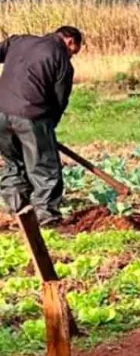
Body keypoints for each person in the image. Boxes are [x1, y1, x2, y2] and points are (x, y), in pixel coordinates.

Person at [0, 25, 83, 227]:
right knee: (44, 167)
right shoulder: (61, 60)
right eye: (74, 52)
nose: (71, 56)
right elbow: (58, 100)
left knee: (14, 163)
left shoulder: (18, 41)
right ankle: (46, 217)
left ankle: (18, 212)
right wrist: (47, 129)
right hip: (32, 114)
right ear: (71, 41)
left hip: (0, 114)